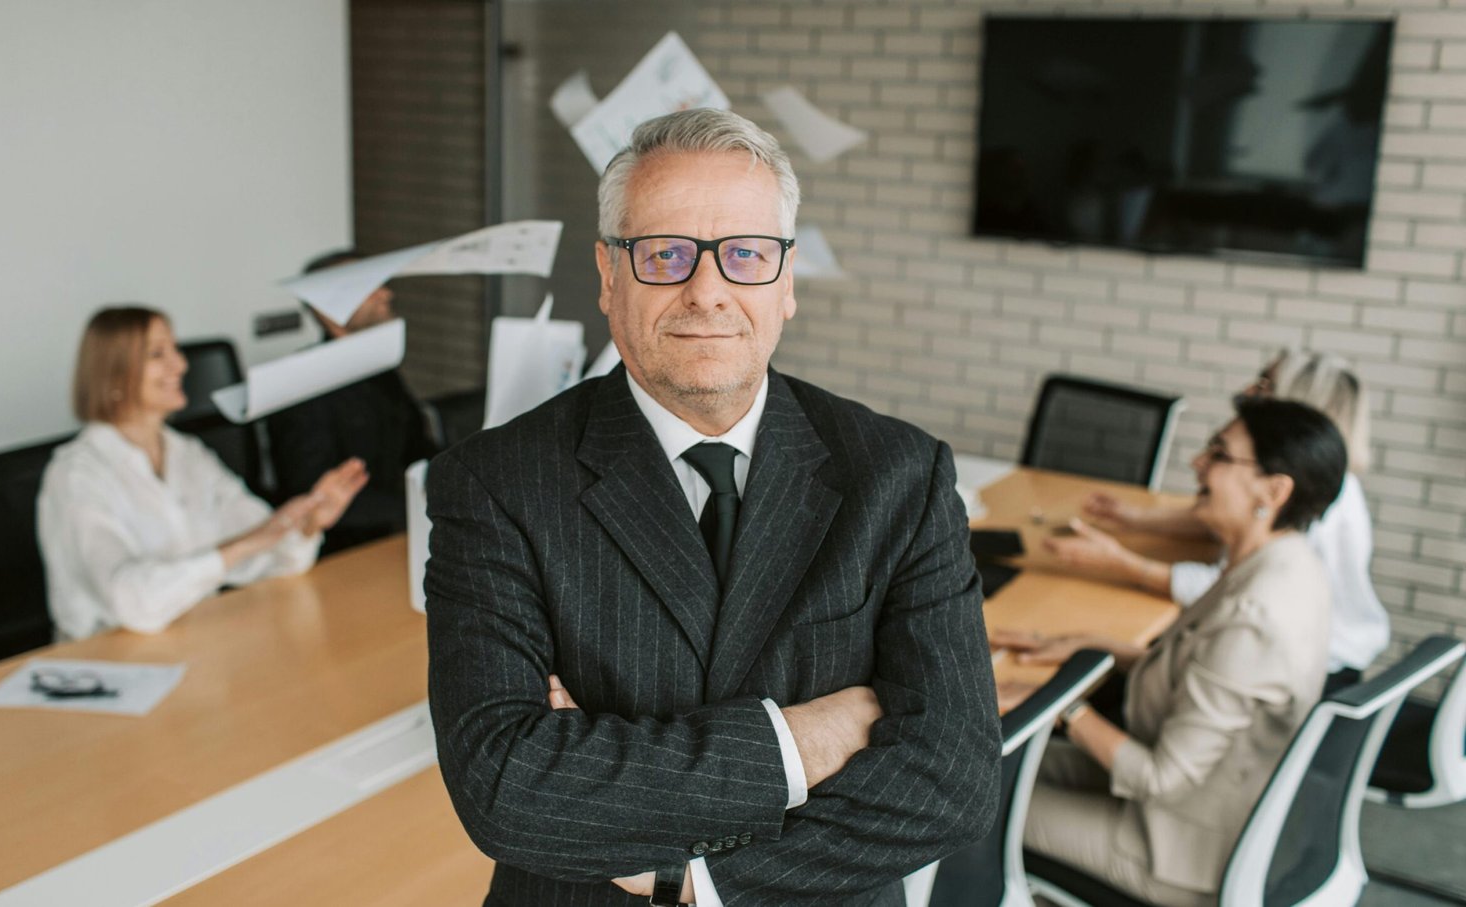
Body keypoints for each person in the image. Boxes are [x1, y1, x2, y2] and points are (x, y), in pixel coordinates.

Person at [425, 109, 1000, 907]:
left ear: (786, 281)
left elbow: (954, 778)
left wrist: (694, 877)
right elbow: (504, 786)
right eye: (663, 254)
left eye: (745, 254)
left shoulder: (901, 474)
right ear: (608, 275)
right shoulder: (495, 482)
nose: (706, 292)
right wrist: (799, 742)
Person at [995, 398, 1345, 904]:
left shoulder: (1253, 617)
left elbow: (1161, 778)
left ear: (1274, 489)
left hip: (1173, 847)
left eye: (1219, 454)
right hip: (1199, 796)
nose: (1196, 463)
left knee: (964, 800)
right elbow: (1198, 667)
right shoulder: (1284, 562)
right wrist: (1090, 646)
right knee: (988, 762)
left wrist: (1061, 705)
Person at [1042, 348, 1387, 693]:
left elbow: (1222, 589)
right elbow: (1230, 520)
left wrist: (1120, 563)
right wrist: (1135, 519)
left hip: (1316, 664)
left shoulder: (1302, 532)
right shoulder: (1305, 490)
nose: (1248, 391)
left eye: (1265, 384)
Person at [37, 306, 368, 640]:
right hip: (105, 657)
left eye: (175, 350)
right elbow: (131, 603)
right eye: (157, 354)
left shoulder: (188, 455)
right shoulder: (76, 475)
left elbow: (266, 555)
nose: (180, 364)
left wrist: (307, 523)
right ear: (114, 374)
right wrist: (240, 547)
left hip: (197, 637)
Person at [267, 251, 437, 557]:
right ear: (328, 310)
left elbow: (418, 447)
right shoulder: (297, 385)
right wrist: (415, 509)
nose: (386, 294)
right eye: (369, 286)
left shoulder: (381, 371)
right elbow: (311, 496)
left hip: (401, 533)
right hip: (338, 551)